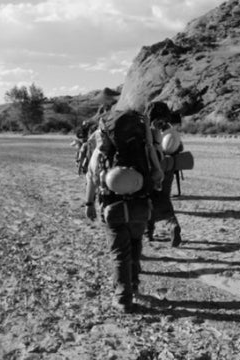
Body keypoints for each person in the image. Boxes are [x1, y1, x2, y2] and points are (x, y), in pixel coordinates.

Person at [84, 110, 161, 313]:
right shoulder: (143, 152)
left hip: (113, 209)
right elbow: (158, 176)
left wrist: (89, 203)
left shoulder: (100, 154)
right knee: (136, 244)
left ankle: (123, 298)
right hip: (141, 207)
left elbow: (91, 179)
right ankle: (133, 283)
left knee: (119, 254)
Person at [145, 101, 183, 247]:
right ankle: (172, 225)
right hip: (168, 167)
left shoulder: (145, 127)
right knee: (163, 198)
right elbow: (180, 147)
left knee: (147, 199)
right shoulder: (170, 128)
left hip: (151, 167)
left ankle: (148, 232)